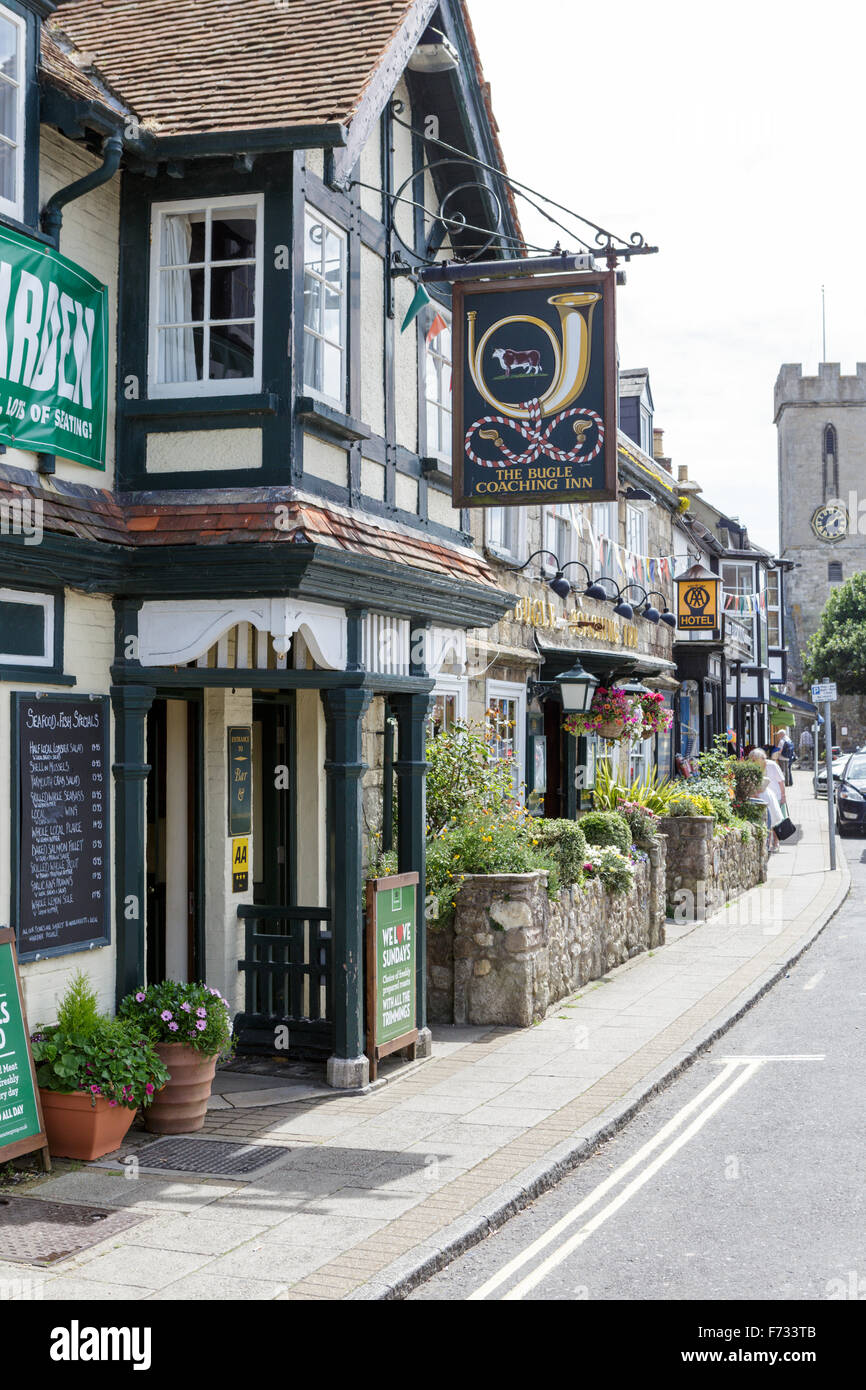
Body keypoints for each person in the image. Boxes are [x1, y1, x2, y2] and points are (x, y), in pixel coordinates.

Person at [748, 747, 786, 851]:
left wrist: (783, 796)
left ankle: (774, 843)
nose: (752, 760)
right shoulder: (755, 766)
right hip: (766, 795)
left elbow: (781, 781)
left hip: (770, 795)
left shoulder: (770, 765)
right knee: (769, 821)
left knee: (773, 821)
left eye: (753, 758)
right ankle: (768, 844)